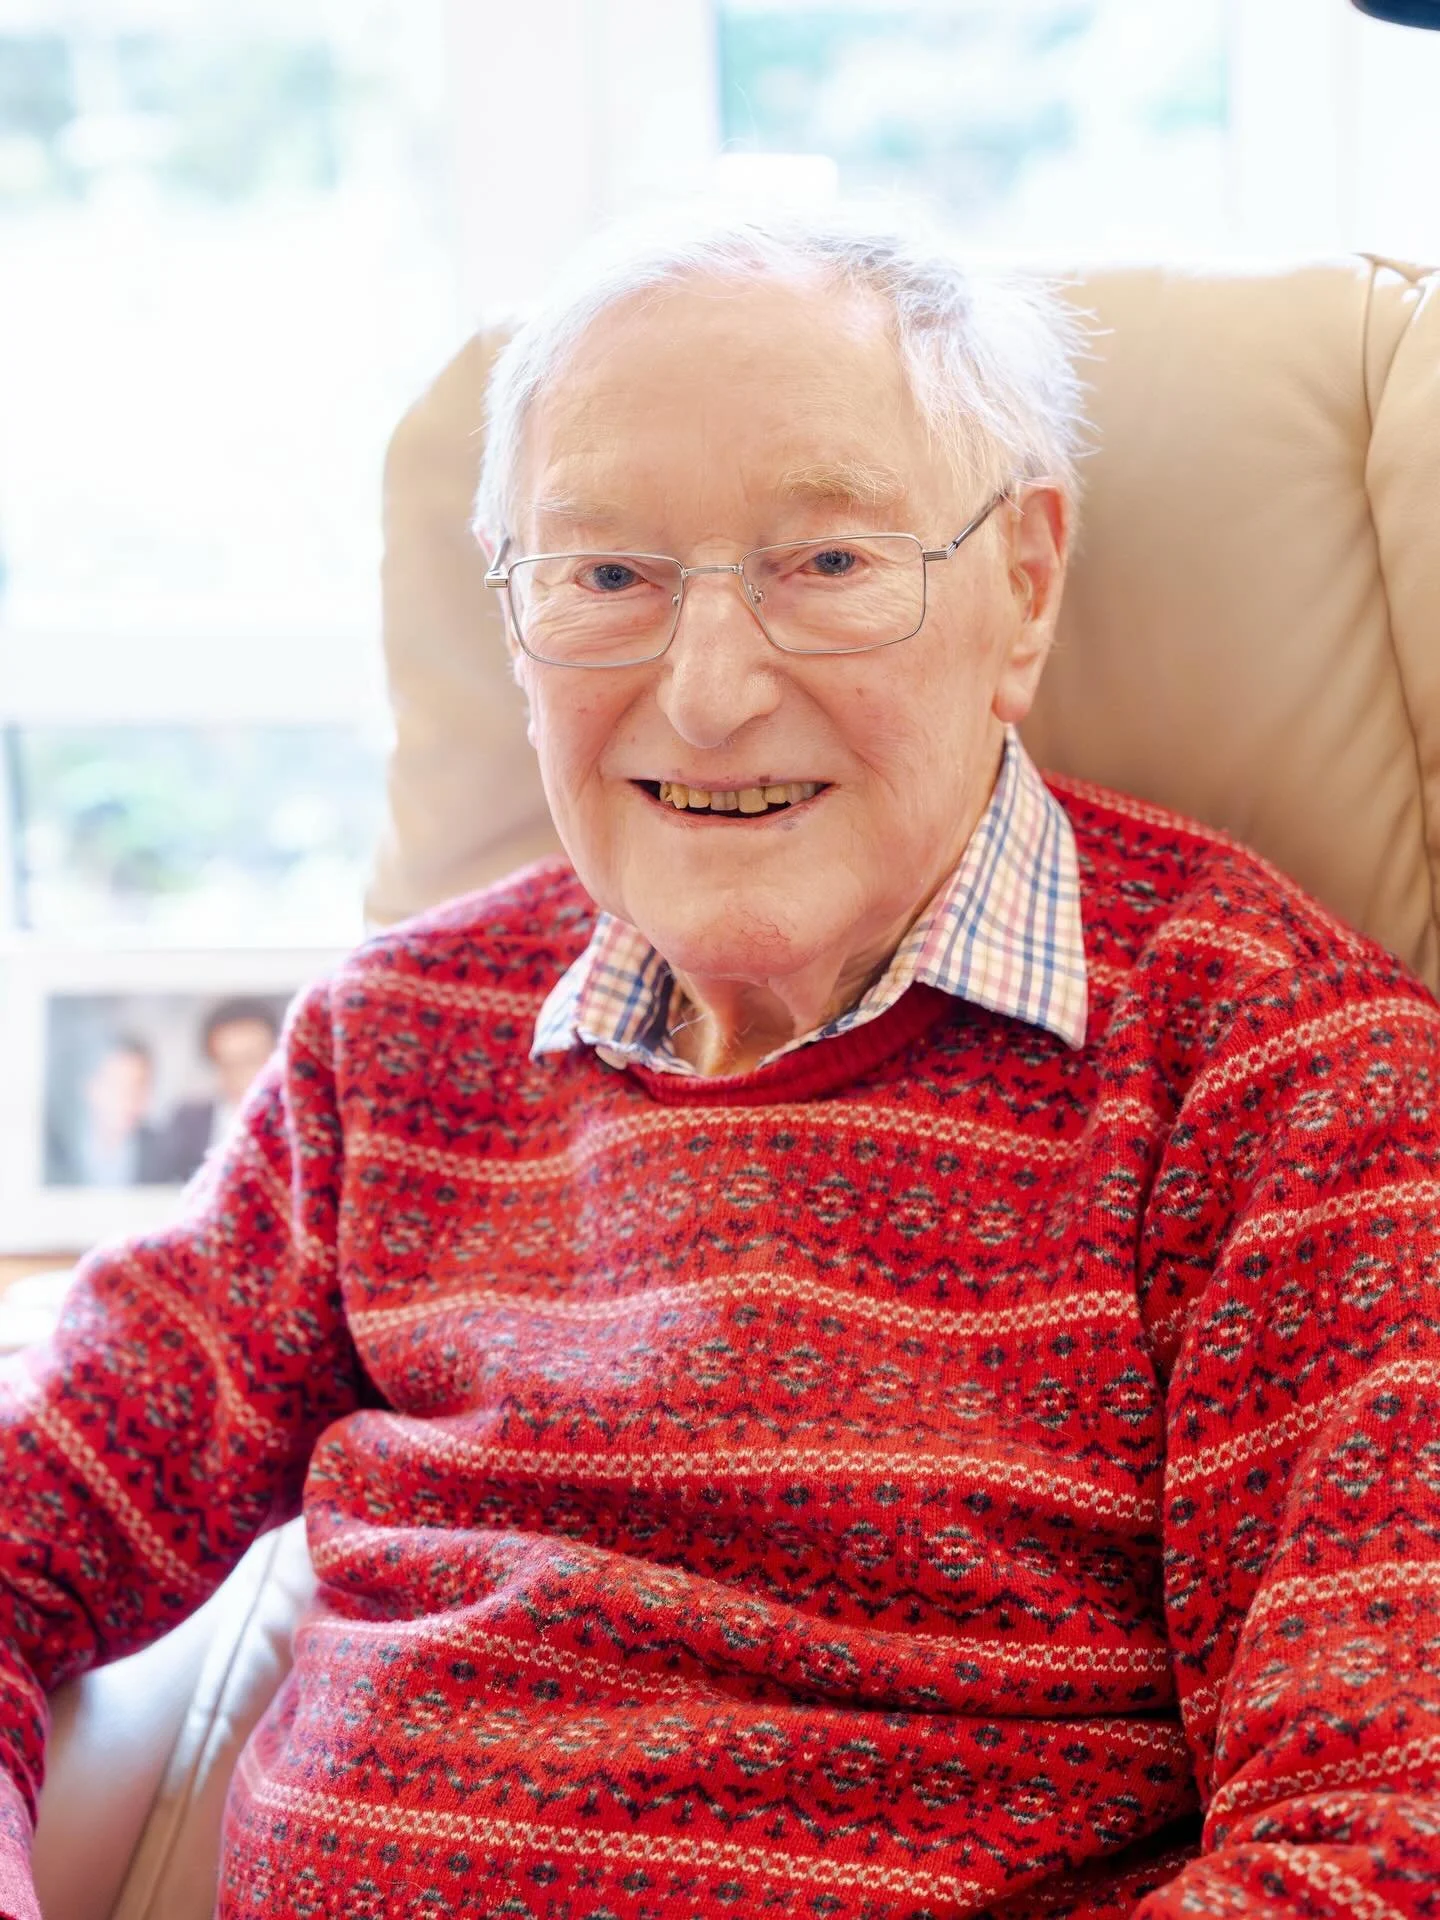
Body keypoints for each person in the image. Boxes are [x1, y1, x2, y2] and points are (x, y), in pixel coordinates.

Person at [2, 212, 1438, 1920]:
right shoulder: (398, 1042)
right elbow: (35, 1514)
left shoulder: (1281, 1079)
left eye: (824, 565)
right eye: (604, 577)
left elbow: (1376, 1838)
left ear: (1025, 586)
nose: (705, 691)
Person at [148, 998, 282, 1182]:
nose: (239, 1074)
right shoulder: (187, 1123)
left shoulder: (299, 1125)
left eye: (250, 1060)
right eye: (227, 1063)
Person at [44, 1031, 169, 1188]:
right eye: (117, 1086)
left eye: (139, 1087)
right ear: (90, 1087)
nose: (128, 1099)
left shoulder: (165, 1152)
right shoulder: (55, 1150)